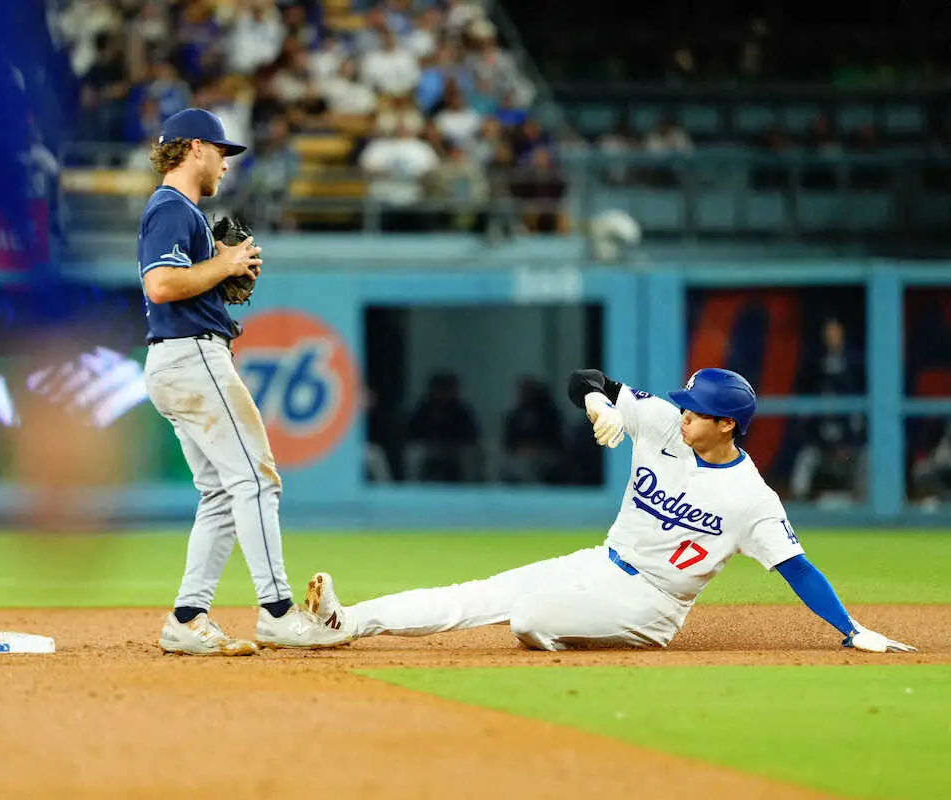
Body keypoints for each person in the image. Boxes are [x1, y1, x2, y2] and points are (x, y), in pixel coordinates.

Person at [304, 368, 917, 655]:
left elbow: (796, 567)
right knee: (477, 594)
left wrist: (851, 629)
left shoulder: (752, 498)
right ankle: (346, 622)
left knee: (528, 616)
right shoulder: (664, 423)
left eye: (697, 410)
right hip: (602, 561)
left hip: (653, 605)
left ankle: (565, 628)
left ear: (728, 424)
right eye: (684, 404)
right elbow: (585, 378)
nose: (683, 413)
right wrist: (599, 404)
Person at [139, 108, 351, 655]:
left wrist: (216, 268)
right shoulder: (171, 206)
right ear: (194, 148)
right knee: (257, 481)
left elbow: (178, 282)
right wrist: (226, 264)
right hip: (193, 357)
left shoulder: (181, 212)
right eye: (220, 151)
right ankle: (278, 612)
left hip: (177, 360)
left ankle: (187, 619)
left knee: (219, 493)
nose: (226, 164)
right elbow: (161, 284)